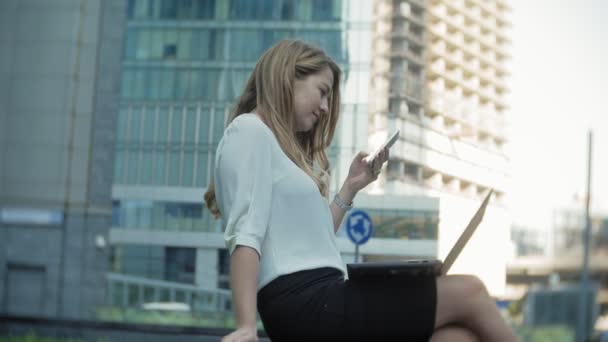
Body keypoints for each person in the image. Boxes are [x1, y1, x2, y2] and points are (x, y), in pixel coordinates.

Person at [204, 40, 518, 342]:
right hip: (305, 304)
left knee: (456, 337)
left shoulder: (275, 148)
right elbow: (246, 232)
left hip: (322, 297)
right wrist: (246, 326)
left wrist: (350, 188)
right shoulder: (249, 131)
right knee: (470, 291)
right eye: (323, 92)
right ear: (289, 77)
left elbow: (314, 240)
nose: (326, 108)